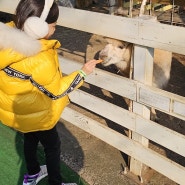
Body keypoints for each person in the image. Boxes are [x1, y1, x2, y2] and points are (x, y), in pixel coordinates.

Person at [0, 0, 99, 184]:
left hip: (20, 113)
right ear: (37, 27)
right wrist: (83, 72)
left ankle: (32, 174)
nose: (54, 28)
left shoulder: (5, 41)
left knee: (29, 139)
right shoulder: (40, 57)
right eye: (52, 25)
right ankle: (55, 182)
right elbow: (56, 91)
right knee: (53, 147)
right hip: (39, 113)